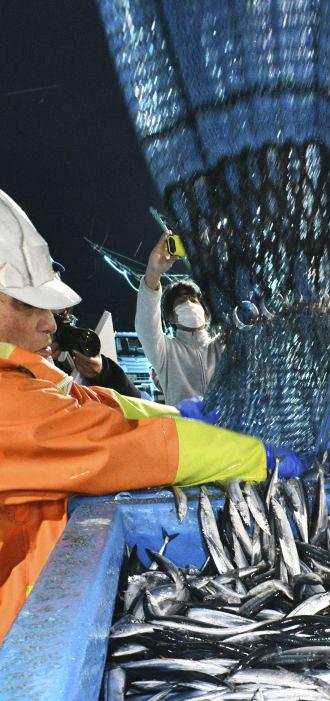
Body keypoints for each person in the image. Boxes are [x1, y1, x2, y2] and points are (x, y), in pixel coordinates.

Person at [0, 190, 306, 643]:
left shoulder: (24, 379)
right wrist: (257, 457)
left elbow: (103, 406)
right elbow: (121, 444)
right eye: (27, 304)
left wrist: (186, 417)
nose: (50, 322)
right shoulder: (11, 405)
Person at [135, 232, 223, 406]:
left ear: (206, 316)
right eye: (181, 302)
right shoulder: (165, 352)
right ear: (171, 317)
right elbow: (146, 326)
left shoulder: (222, 346)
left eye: (193, 300)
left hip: (229, 432)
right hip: (186, 433)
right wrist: (153, 272)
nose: (189, 304)